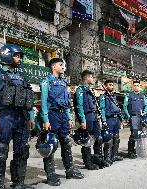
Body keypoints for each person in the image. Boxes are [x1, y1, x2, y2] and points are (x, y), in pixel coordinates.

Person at [0, 44, 35, 188]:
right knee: (0, 152)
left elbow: (28, 97)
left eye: (20, 56)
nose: (19, 58)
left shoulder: (22, 76)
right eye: (17, 55)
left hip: (22, 117)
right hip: (4, 116)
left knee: (22, 151)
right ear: (7, 54)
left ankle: (18, 183)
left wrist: (31, 116)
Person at [40, 58, 84, 186]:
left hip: (63, 116)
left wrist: (69, 117)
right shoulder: (46, 81)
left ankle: (70, 170)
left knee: (66, 142)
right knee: (50, 145)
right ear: (54, 67)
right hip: (52, 115)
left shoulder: (64, 82)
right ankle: (51, 174)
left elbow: (66, 103)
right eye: (61, 65)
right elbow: (43, 102)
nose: (63, 67)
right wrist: (45, 120)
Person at [74, 70, 102, 170]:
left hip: (94, 117)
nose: (93, 79)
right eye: (92, 77)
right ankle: (88, 163)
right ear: (87, 78)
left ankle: (98, 159)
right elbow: (79, 106)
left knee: (98, 138)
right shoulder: (80, 90)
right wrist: (82, 120)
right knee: (87, 141)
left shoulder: (90, 90)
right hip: (87, 117)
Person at [99, 80, 125, 165]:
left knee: (116, 138)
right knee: (108, 139)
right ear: (105, 87)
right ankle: (107, 157)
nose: (112, 86)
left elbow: (118, 109)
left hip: (116, 119)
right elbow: (102, 109)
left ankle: (115, 155)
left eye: (112, 85)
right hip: (109, 119)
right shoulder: (103, 97)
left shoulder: (113, 97)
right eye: (110, 85)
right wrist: (104, 120)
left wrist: (121, 120)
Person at [123, 81, 147, 159]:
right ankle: (130, 152)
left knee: (140, 133)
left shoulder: (142, 96)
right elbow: (125, 106)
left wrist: (145, 112)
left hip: (140, 117)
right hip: (133, 116)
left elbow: (146, 106)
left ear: (140, 86)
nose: (136, 87)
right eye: (135, 85)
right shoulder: (128, 95)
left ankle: (138, 149)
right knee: (134, 134)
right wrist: (128, 116)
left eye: (138, 85)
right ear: (132, 86)